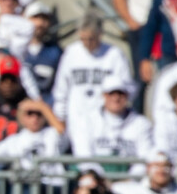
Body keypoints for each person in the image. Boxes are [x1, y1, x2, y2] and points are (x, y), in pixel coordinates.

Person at [52, 14, 132, 149]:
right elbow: (61, 89)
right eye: (83, 39)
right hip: (76, 116)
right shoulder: (72, 53)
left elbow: (127, 87)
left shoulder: (114, 54)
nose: (87, 43)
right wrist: (61, 116)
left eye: (91, 39)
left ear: (100, 34)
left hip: (105, 120)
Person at [71, 75, 153, 178]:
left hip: (131, 184)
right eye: (111, 93)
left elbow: (144, 158)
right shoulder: (86, 121)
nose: (116, 98)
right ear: (104, 95)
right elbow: (83, 155)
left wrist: (129, 181)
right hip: (96, 182)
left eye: (120, 93)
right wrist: (101, 181)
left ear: (127, 96)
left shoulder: (141, 123)